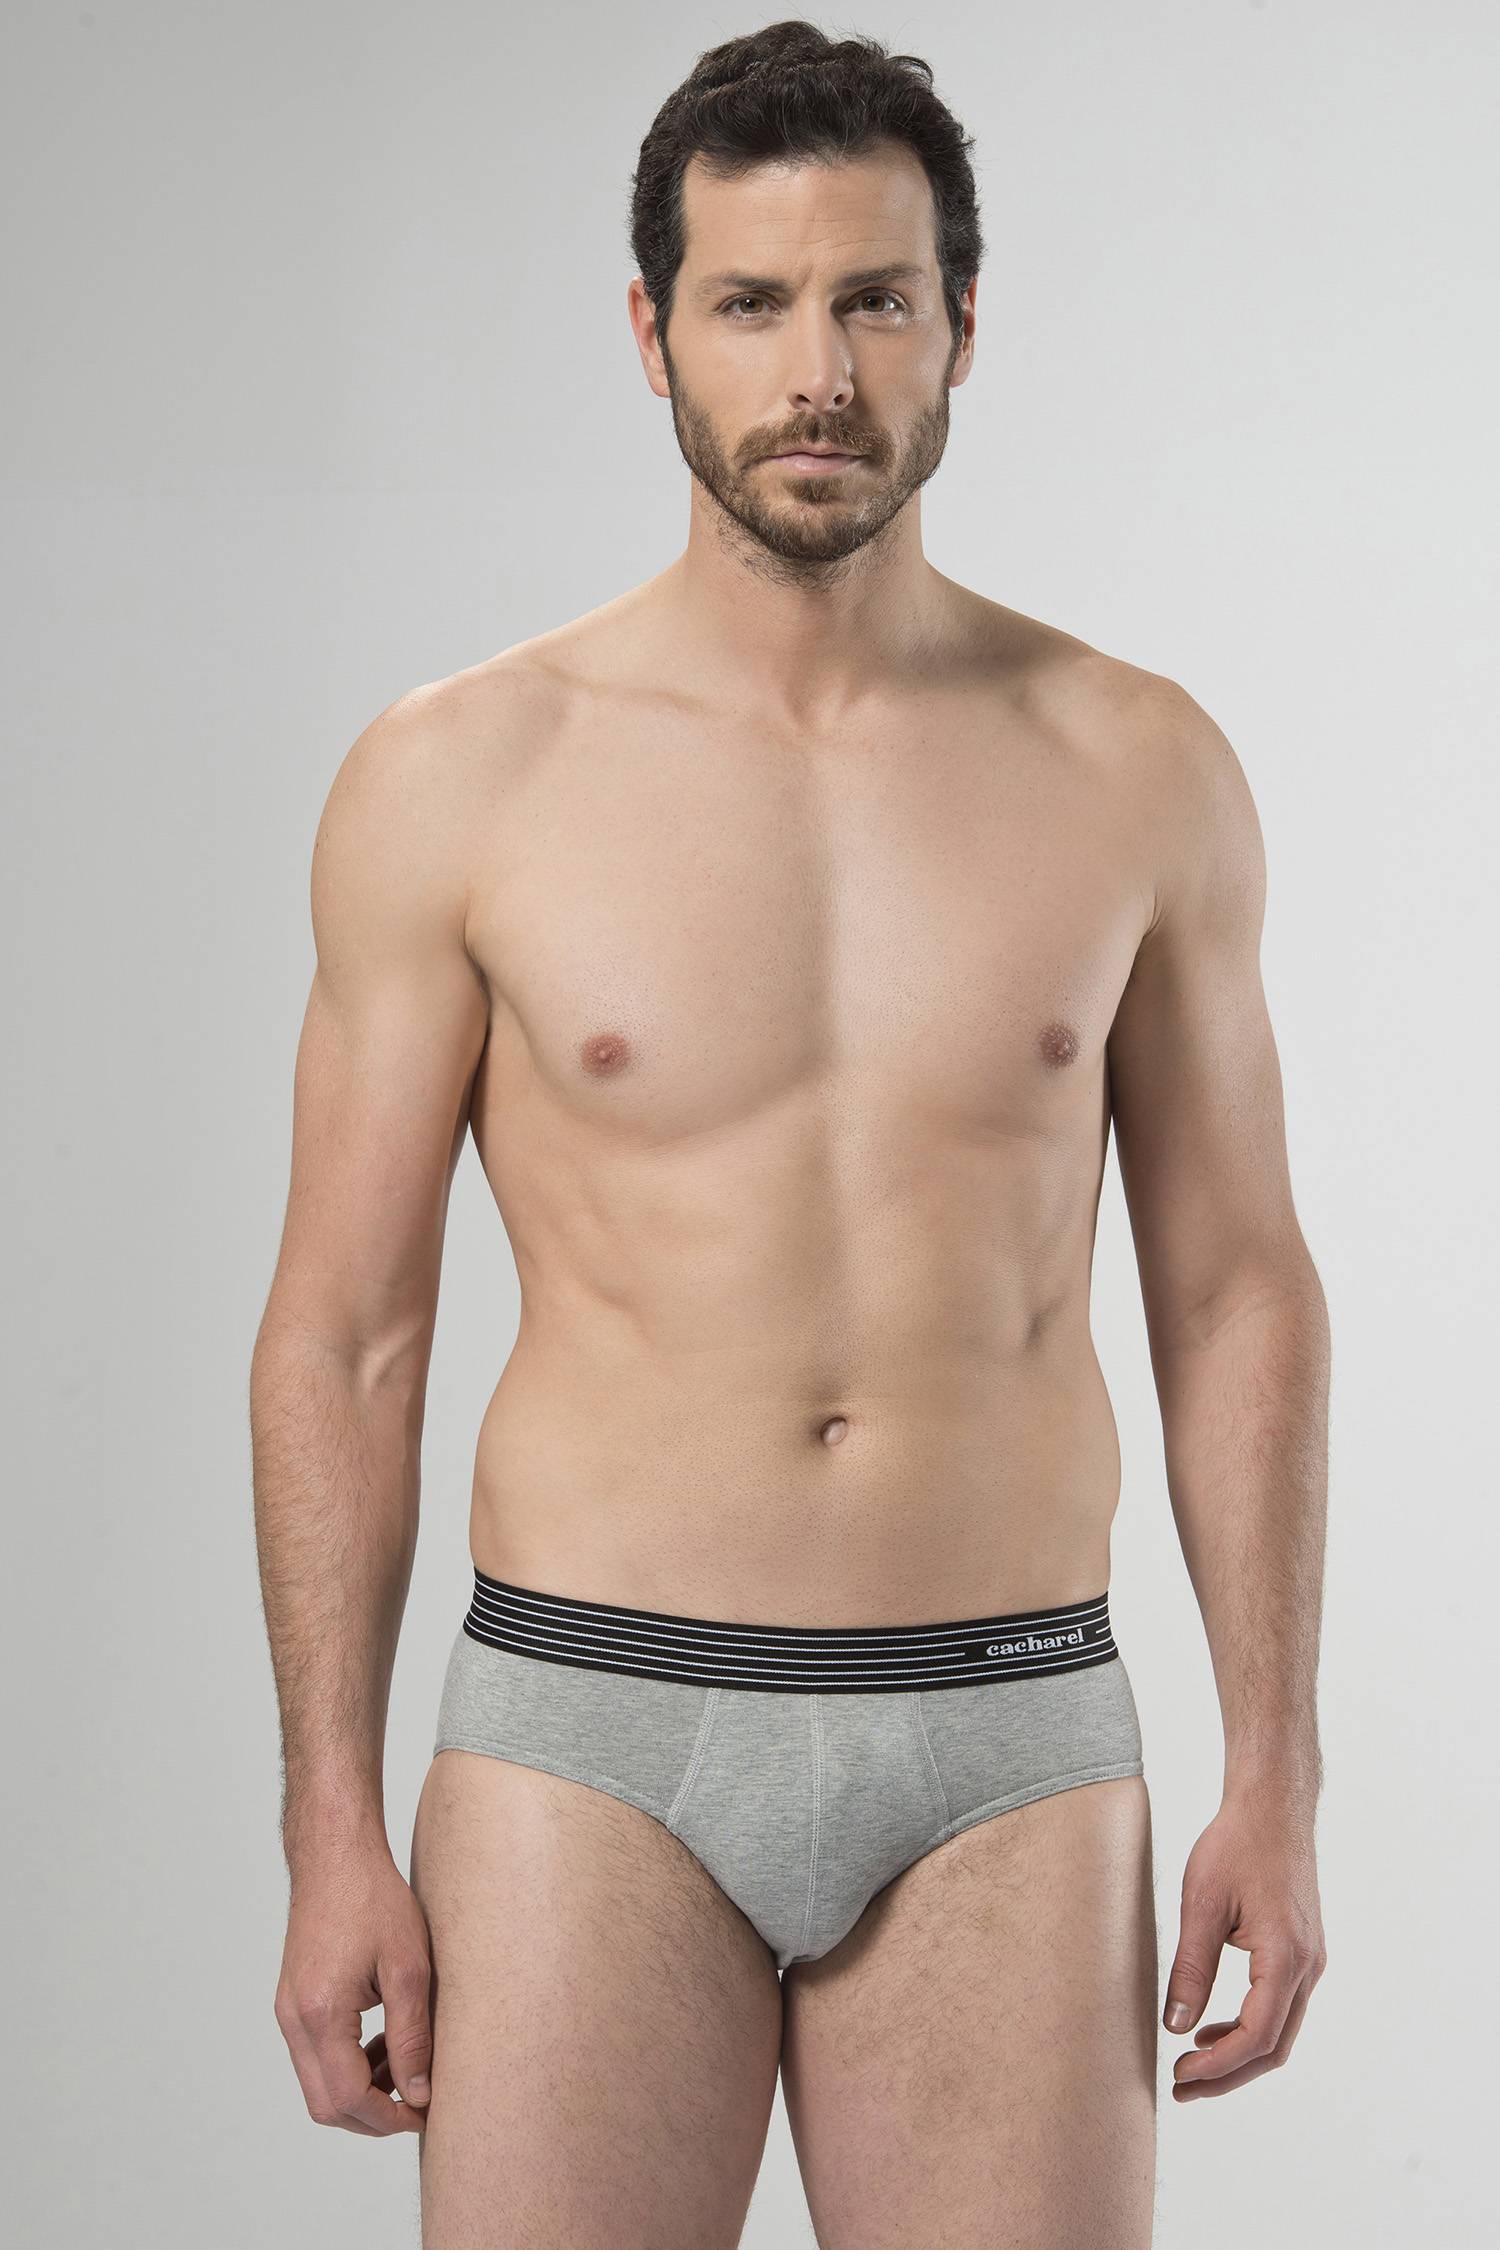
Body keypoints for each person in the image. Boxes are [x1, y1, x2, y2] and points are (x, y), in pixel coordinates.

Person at [251, 19, 1329, 2245]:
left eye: (875, 300)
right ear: (653, 332)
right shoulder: (462, 778)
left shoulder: (1137, 766)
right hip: (588, 1730)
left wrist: (1280, 1772)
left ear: (963, 326)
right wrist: (327, 1827)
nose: (818, 371)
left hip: (1007, 1738)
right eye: (751, 302)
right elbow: (345, 1333)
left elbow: (1237, 1293)